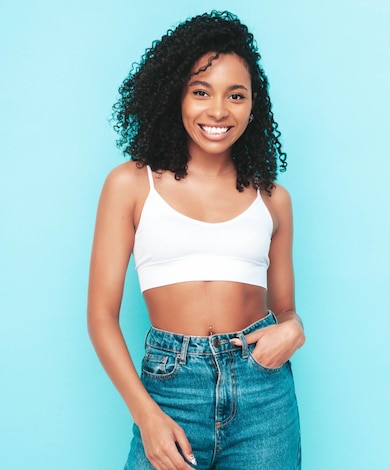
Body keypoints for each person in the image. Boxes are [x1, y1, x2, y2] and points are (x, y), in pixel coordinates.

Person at [88, 11, 304, 469]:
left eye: (236, 95)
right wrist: (147, 416)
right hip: (171, 389)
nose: (219, 111)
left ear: (253, 106)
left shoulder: (273, 198)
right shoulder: (130, 184)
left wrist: (293, 328)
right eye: (201, 92)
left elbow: (284, 310)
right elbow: (101, 317)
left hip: (263, 394)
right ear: (175, 97)